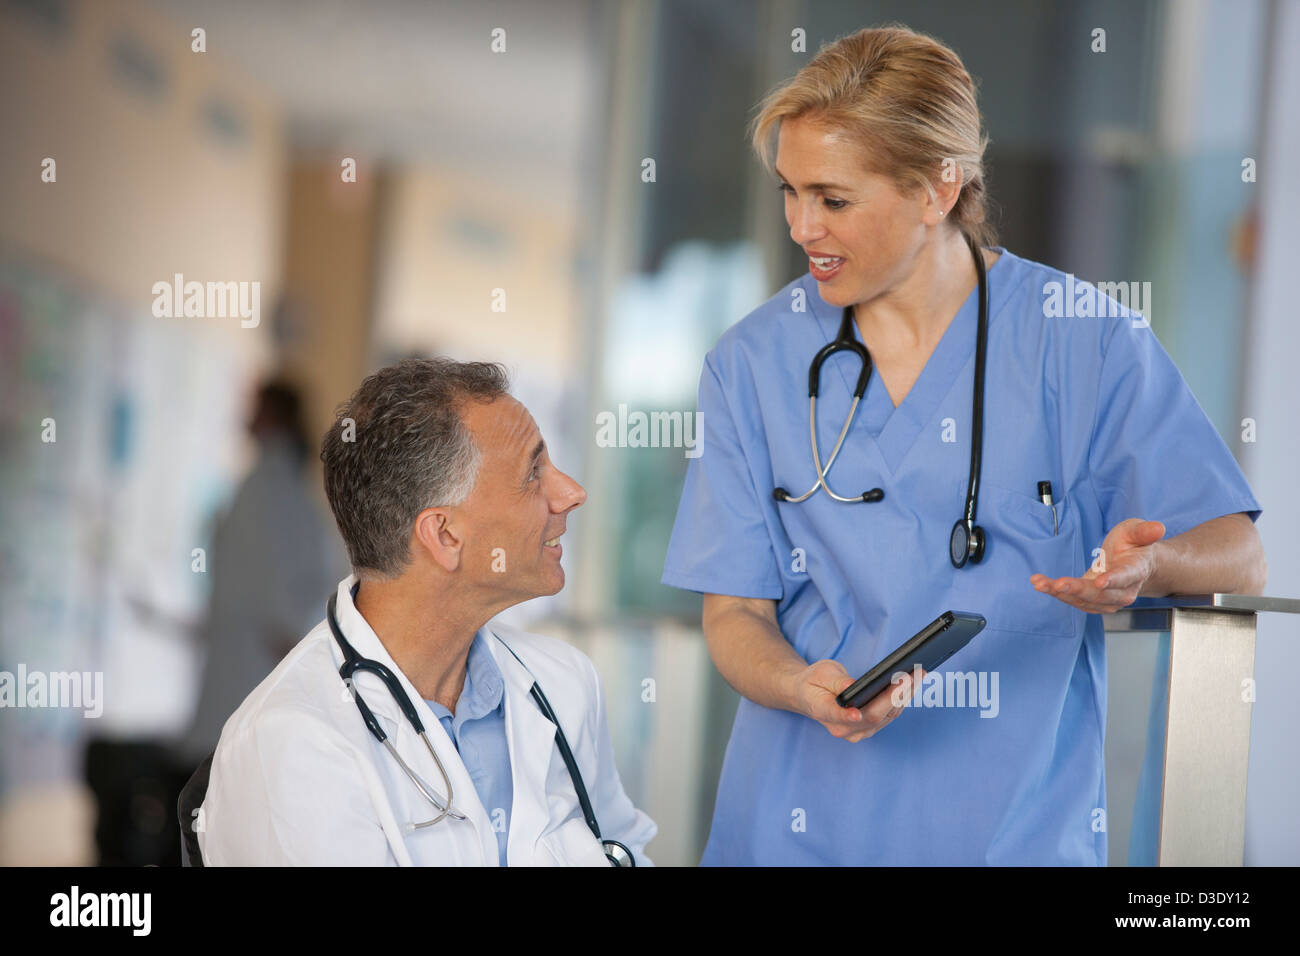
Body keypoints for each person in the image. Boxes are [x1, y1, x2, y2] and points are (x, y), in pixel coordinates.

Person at [661, 25, 1266, 865]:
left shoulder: (1084, 342)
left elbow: (1239, 555)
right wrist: (797, 684)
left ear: (938, 188)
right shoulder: (752, 362)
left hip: (1016, 836)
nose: (802, 226)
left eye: (834, 199)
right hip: (795, 827)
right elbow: (733, 613)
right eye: (790, 192)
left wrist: (1148, 570)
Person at [199, 359, 656, 865]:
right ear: (444, 535)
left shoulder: (564, 684)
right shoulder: (291, 744)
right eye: (533, 472)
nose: (571, 493)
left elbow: (624, 847)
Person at [177, 380, 348, 770]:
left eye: (255, 406)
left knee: (228, 769)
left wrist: (288, 629)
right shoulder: (267, 486)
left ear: (273, 416)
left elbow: (313, 575)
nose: (246, 417)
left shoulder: (276, 491)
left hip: (256, 659)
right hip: (245, 655)